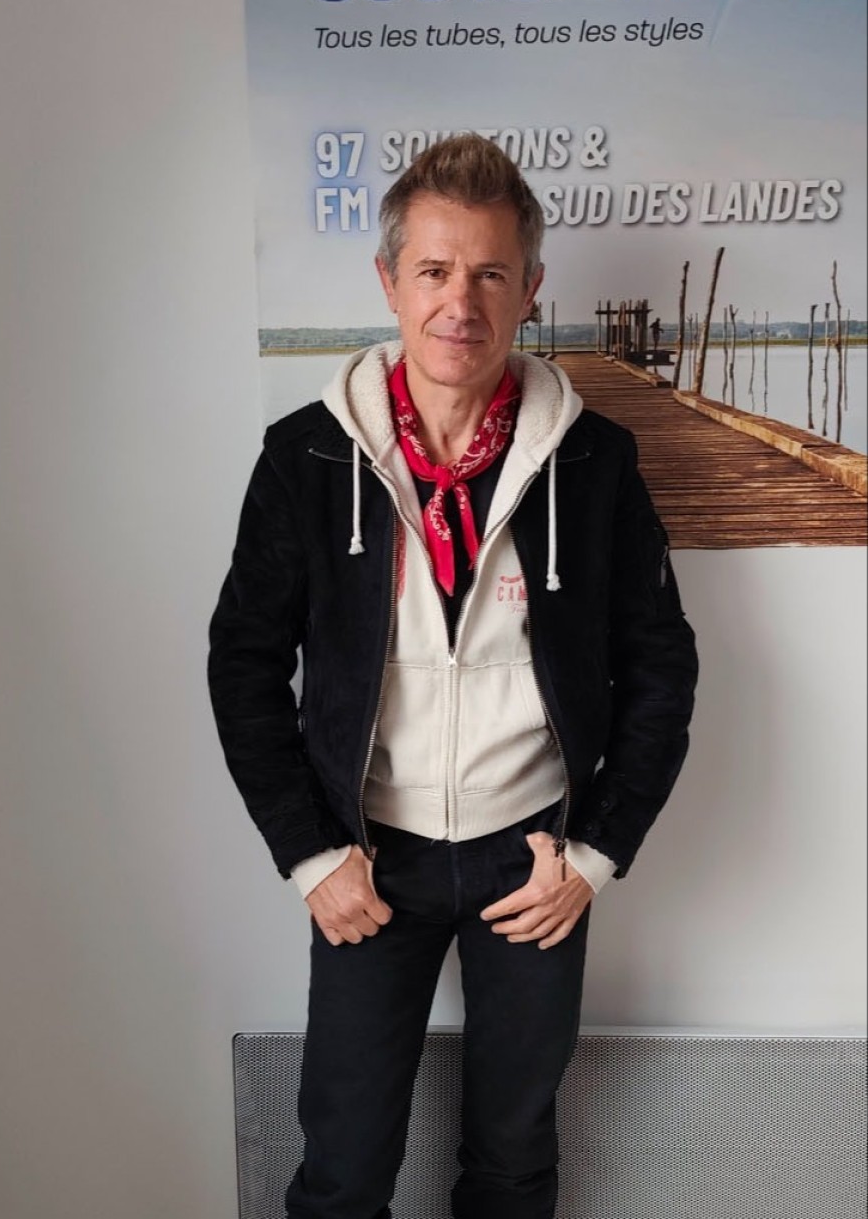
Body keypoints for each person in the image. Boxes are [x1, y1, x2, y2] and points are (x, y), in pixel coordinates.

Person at [208, 133, 698, 1219]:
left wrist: (592, 853)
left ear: (530, 289)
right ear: (389, 281)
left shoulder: (595, 460)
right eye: (433, 270)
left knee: (513, 1162)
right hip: (366, 859)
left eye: (488, 273)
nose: (459, 303)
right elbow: (243, 665)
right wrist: (309, 853)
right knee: (342, 1168)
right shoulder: (304, 456)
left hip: (531, 860)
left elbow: (660, 668)